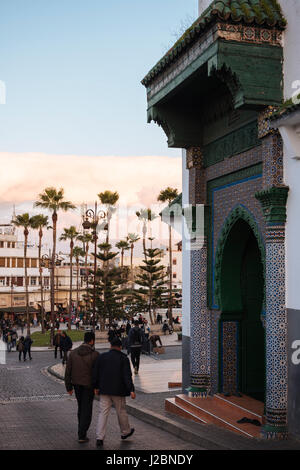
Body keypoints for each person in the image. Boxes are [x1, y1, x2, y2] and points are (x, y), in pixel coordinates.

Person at [92, 336, 136, 447]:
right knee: (121, 411)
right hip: (118, 390)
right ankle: (125, 432)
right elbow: (127, 375)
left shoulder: (102, 357)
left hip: (104, 389)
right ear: (120, 347)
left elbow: (96, 373)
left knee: (103, 413)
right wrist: (131, 389)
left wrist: (96, 386)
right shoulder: (123, 358)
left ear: (110, 346)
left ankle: (99, 437)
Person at [65, 331, 99, 444]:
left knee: (81, 408)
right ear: (92, 341)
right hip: (89, 386)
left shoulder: (73, 353)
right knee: (87, 409)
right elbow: (97, 374)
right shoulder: (95, 355)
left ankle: (81, 430)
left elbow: (67, 372)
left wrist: (68, 387)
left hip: (77, 385)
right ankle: (82, 433)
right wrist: (97, 386)